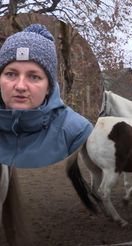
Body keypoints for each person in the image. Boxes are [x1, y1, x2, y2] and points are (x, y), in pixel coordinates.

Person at [0, 23, 93, 168]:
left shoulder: (77, 133)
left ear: (48, 86)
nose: (20, 86)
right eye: (11, 74)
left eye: (34, 77)